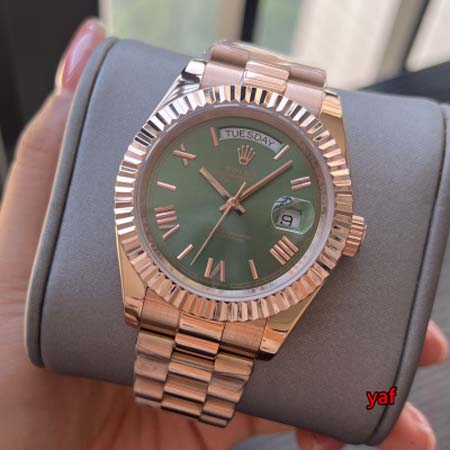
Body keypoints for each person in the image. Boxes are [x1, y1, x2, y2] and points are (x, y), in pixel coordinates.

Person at [0, 18, 447, 450]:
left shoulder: (318, 207)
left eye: (236, 201)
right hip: (166, 280)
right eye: (228, 198)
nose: (233, 203)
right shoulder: (183, 122)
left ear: (343, 234)